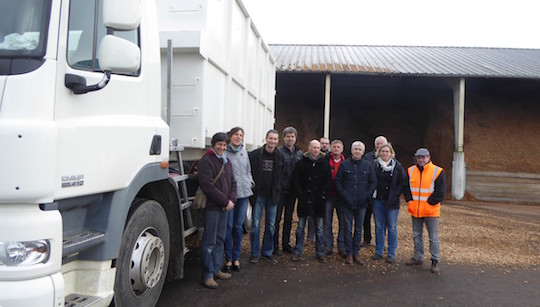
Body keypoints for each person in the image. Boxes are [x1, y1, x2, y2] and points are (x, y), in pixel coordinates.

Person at [198, 132, 237, 289]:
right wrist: (225, 201)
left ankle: (216, 269)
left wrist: (232, 200)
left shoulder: (226, 162)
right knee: (209, 242)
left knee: (220, 239)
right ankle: (207, 275)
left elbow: (233, 183)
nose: (222, 147)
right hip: (213, 208)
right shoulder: (205, 162)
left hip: (224, 207)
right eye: (219, 144)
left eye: (224, 145)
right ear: (213, 145)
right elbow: (208, 186)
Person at [404, 147, 446, 274]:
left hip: (430, 210)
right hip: (415, 209)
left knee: (433, 237)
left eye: (423, 157)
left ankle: (435, 260)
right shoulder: (410, 170)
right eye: (419, 157)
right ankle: (418, 257)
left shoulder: (437, 171)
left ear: (428, 158)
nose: (421, 160)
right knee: (417, 235)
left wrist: (430, 202)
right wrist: (409, 200)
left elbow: (441, 192)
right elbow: (405, 188)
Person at [335, 141, 376, 265]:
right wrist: (344, 195)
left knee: (358, 229)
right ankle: (349, 254)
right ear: (351, 151)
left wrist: (366, 195)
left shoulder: (368, 166)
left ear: (363, 152)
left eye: (360, 149)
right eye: (355, 149)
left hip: (362, 203)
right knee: (347, 228)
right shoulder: (344, 165)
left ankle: (356, 252)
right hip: (347, 202)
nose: (357, 151)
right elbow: (338, 182)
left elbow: (373, 182)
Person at [290, 140, 332, 263]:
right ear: (309, 148)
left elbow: (329, 181)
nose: (315, 150)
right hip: (304, 199)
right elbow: (295, 180)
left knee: (319, 228)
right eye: (313, 147)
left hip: (319, 200)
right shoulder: (301, 163)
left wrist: (324, 195)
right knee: (300, 227)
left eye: (317, 148)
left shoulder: (324, 164)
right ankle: (298, 251)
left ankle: (320, 253)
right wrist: (300, 195)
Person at [248, 129, 284, 263]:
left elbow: (283, 174)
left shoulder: (280, 157)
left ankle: (267, 252)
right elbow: (249, 172)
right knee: (255, 225)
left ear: (277, 141)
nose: (273, 141)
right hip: (258, 195)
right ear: (266, 139)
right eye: (271, 138)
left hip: (272, 196)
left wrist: (279, 188)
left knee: (270, 225)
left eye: (275, 139)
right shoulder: (255, 155)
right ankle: (255, 253)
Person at [222, 127, 254, 273]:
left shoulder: (243, 151)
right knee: (228, 227)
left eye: (241, 135)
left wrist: (250, 182)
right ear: (230, 136)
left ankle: (236, 258)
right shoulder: (224, 152)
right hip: (230, 196)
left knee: (238, 227)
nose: (238, 137)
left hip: (244, 194)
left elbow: (247, 170)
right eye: (236, 134)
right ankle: (228, 258)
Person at [370, 143, 408, 264]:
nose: (385, 153)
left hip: (392, 202)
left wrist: (396, 195)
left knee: (392, 227)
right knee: (379, 226)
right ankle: (379, 251)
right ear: (379, 152)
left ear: (391, 153)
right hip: (378, 200)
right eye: (383, 151)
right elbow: (370, 180)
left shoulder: (397, 166)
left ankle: (391, 253)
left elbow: (403, 183)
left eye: (387, 151)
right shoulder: (375, 165)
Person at [274, 127, 303, 255]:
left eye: (292, 136)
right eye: (288, 136)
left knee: (288, 219)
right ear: (284, 137)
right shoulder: (278, 152)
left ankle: (286, 244)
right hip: (280, 190)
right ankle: (275, 246)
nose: (290, 139)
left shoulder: (299, 153)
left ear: (295, 138)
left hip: (292, 192)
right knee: (276, 219)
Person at [361, 135, 388, 247]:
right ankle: (367, 239)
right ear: (375, 145)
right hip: (369, 192)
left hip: (382, 194)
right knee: (366, 218)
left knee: (381, 220)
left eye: (381, 143)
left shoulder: (390, 158)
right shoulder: (367, 157)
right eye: (378, 143)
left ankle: (380, 241)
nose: (379, 145)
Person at [323, 139, 347, 257]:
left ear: (342, 149)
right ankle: (328, 246)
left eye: (338, 147)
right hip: (328, 196)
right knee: (327, 222)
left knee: (342, 222)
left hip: (341, 197)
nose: (336, 148)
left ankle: (341, 247)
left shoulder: (346, 162)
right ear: (331, 148)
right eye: (334, 146)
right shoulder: (325, 161)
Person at [306, 136, 330, 243]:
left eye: (326, 144)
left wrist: (324, 193)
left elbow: (328, 179)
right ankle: (310, 237)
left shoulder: (325, 161)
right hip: (309, 193)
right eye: (322, 143)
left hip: (322, 194)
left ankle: (322, 242)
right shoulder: (305, 160)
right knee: (310, 216)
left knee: (323, 219)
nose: (316, 149)